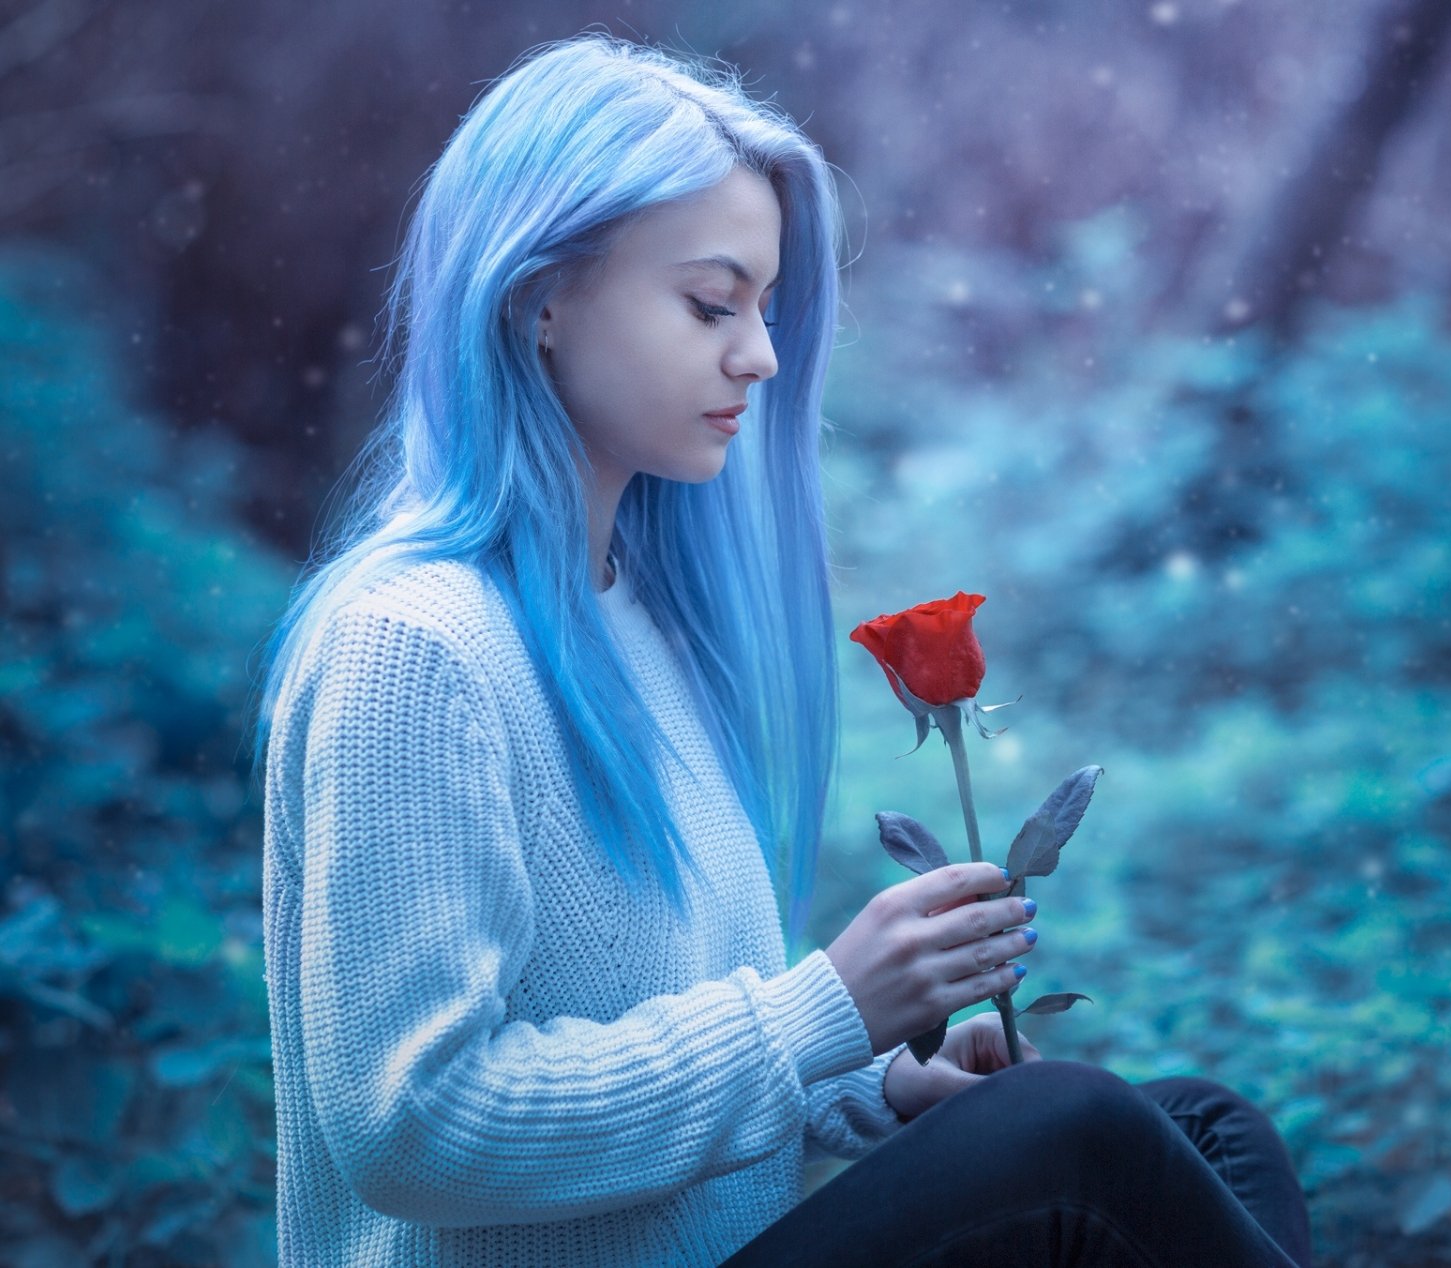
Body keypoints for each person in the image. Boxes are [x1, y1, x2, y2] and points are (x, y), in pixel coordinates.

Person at [250, 31, 1312, 1268]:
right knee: (1078, 1131)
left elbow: (672, 1052)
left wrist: (877, 1084)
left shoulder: (639, 615)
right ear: (539, 296)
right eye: (711, 302)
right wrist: (828, 1009)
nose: (757, 352)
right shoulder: (415, 649)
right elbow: (416, 1127)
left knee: (1201, 1129)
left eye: (761, 304)